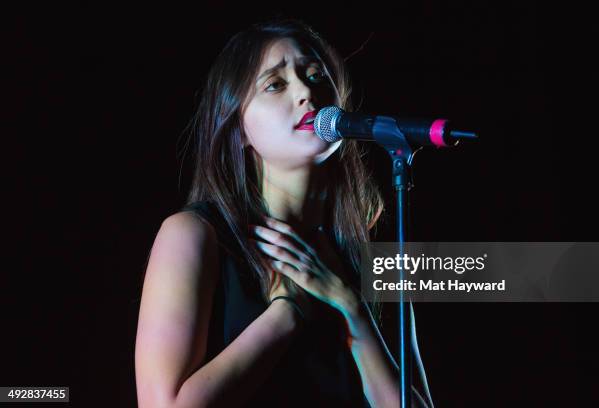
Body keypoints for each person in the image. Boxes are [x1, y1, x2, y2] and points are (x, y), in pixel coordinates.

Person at [135, 19, 433, 408]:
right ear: (238, 127)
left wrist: (353, 310)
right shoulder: (193, 235)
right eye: (275, 84)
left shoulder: (373, 261)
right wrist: (287, 313)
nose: (306, 91)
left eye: (314, 76)